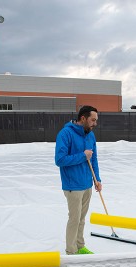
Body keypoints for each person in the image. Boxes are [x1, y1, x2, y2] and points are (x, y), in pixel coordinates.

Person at [55, 105, 102, 255]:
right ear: (83, 118)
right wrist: (82, 155)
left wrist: (97, 179)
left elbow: (93, 159)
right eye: (93, 120)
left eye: (96, 120)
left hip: (87, 184)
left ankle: (80, 246)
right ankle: (71, 250)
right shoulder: (65, 134)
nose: (95, 123)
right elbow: (60, 160)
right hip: (73, 186)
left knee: (82, 219)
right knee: (74, 219)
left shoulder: (90, 135)